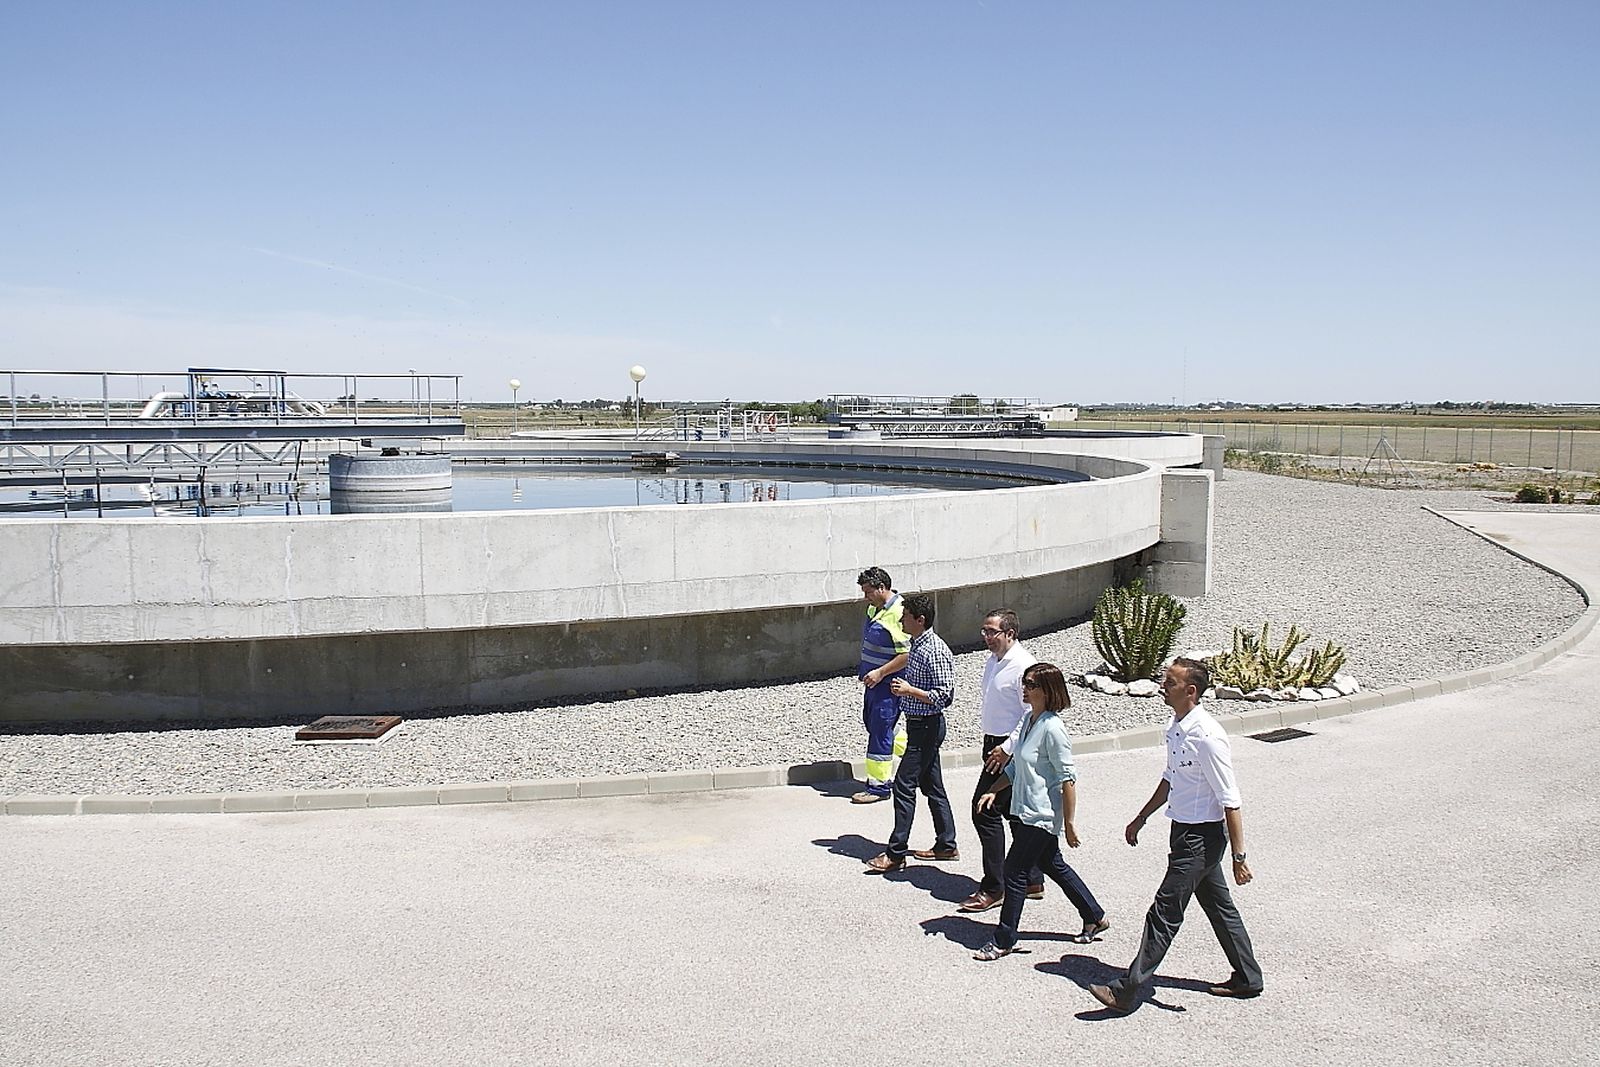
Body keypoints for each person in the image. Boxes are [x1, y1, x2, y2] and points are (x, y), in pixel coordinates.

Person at [1090, 657, 1264, 1013]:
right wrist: (1140, 818)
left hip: (1201, 840)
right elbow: (1171, 778)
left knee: (1164, 911)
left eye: (1169, 682)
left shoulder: (1208, 736)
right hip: (1183, 832)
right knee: (1220, 908)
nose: (1162, 686)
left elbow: (1230, 799)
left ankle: (1126, 990)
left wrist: (1239, 857)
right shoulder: (1177, 726)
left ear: (1191, 691)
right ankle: (1248, 978)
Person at [971, 662, 1110, 960]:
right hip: (1025, 809)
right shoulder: (1029, 721)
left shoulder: (1053, 728)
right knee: (1052, 863)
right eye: (1025, 682)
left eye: (1031, 684)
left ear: (1047, 691)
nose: (1025, 687)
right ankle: (1094, 916)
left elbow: (1067, 779)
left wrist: (1069, 823)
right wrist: (993, 790)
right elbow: (1016, 768)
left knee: (1015, 871)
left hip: (1042, 815)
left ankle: (1003, 939)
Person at [866, 592, 958, 871]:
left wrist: (909, 691)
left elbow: (944, 695)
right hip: (917, 724)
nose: (902, 620)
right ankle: (946, 844)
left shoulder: (936, 650)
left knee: (904, 786)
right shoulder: (916, 644)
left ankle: (895, 853)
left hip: (927, 727)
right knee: (932, 786)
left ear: (920, 620)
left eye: (906, 617)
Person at [958, 608, 1042, 912]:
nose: (986, 637)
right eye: (984, 631)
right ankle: (1031, 877)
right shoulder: (994, 662)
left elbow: (1031, 715)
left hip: (1008, 749)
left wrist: (1007, 748)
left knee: (984, 811)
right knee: (1015, 812)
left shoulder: (1024, 666)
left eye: (992, 632)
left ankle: (995, 887)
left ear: (1010, 633)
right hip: (993, 744)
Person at [853, 566, 909, 804]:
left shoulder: (898, 613)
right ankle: (917, 758)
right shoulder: (874, 608)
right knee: (876, 724)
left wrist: (879, 672)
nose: (865, 597)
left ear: (882, 588)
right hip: (874, 682)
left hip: (888, 683)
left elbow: (906, 654)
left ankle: (879, 786)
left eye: (868, 592)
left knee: (880, 730)